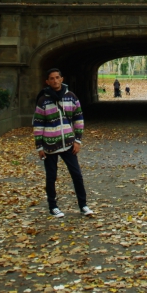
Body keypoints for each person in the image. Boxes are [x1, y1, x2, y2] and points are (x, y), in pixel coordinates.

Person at [33, 68, 94, 218]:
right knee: (51, 176)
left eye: (57, 78)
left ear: (62, 79)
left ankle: (83, 205)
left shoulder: (71, 97)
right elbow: (38, 124)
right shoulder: (43, 100)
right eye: (51, 78)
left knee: (77, 175)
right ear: (47, 81)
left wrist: (78, 140)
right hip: (49, 145)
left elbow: (78, 119)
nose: (55, 81)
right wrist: (39, 147)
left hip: (68, 143)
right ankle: (53, 206)